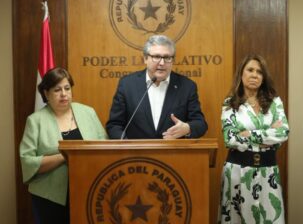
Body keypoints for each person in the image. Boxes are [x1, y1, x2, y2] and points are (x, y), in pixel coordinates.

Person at [19, 67, 107, 224]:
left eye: (67, 88)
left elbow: (104, 147)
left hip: (88, 190)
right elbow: (27, 161)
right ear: (46, 94)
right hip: (50, 196)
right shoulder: (35, 120)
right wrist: (66, 155)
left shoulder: (88, 112)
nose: (64, 94)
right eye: (57, 90)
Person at [218, 54, 289, 224]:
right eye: (250, 70)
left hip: (268, 171)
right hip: (236, 171)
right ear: (241, 74)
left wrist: (249, 134)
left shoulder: (274, 102)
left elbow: (282, 133)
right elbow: (230, 139)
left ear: (263, 78)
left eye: (259, 72)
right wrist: (267, 133)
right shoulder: (230, 104)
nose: (254, 75)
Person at [106, 34, 208, 139]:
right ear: (145, 58)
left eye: (167, 57)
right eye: (156, 57)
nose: (162, 63)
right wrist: (128, 146)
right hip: (136, 154)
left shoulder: (187, 86)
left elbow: (200, 124)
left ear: (172, 60)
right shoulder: (127, 85)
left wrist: (187, 128)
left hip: (173, 153)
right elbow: (114, 125)